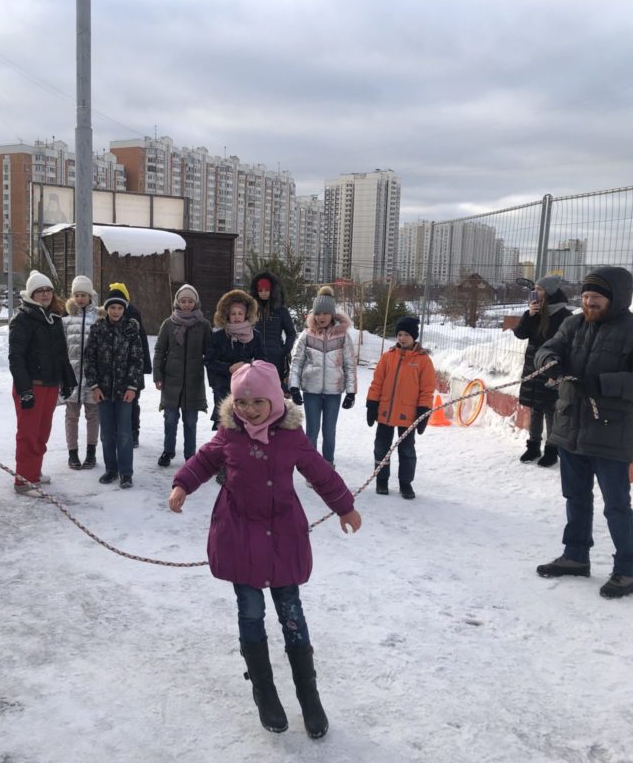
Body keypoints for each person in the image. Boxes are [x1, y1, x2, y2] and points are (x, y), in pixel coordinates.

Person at [168, 361, 361, 739]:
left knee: (291, 614)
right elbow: (203, 460)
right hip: (239, 535)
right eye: (242, 402)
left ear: (273, 400)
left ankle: (309, 695)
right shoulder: (229, 434)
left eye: (258, 401)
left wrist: (345, 505)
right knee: (251, 611)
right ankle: (264, 689)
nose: (250, 409)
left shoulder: (291, 437)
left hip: (283, 537)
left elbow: (320, 472)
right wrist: (181, 485)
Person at [534, 266, 633, 599]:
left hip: (611, 431)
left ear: (616, 298)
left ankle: (626, 570)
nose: (588, 302)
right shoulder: (573, 324)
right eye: (586, 296)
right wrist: (550, 360)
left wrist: (600, 384)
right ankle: (576, 556)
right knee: (575, 498)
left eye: (596, 297)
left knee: (616, 506)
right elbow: (546, 348)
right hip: (570, 427)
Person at [7, 271, 76, 494]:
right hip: (31, 386)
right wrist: (25, 390)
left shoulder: (53, 318)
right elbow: (16, 358)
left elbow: (61, 354)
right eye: (40, 291)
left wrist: (67, 379)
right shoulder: (23, 319)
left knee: (42, 432)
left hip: (49, 384)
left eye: (48, 290)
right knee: (28, 433)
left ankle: (33, 472)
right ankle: (23, 480)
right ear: (31, 294)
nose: (45, 294)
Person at [365, 316, 436, 499]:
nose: (402, 338)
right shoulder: (388, 357)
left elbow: (427, 390)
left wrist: (423, 412)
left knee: (406, 450)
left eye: (406, 335)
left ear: (414, 336)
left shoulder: (423, 361)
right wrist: (372, 404)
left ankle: (406, 483)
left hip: (409, 414)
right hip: (385, 413)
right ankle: (381, 480)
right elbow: (377, 383)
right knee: (381, 447)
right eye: (399, 334)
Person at [287, 285, 357, 467]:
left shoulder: (343, 336)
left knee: (329, 431)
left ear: (332, 314)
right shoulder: (307, 335)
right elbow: (296, 362)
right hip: (312, 391)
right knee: (312, 430)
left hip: (334, 391)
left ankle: (328, 464)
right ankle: (312, 468)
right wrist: (293, 387)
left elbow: (349, 364)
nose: (322, 317)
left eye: (326, 313)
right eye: (318, 313)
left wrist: (351, 392)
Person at [84, 286, 143, 489]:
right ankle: (111, 469)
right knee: (107, 433)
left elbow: (137, 360)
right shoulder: (97, 329)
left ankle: (126, 472)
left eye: (119, 307)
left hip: (124, 392)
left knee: (125, 433)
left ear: (124, 309)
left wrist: (132, 387)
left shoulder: (131, 331)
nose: (116, 311)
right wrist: (94, 385)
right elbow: (89, 359)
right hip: (103, 391)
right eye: (112, 307)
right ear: (107, 309)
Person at [512, 275, 572, 467]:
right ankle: (533, 446)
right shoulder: (534, 312)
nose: (534, 292)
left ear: (549, 292)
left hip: (551, 368)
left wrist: (559, 371)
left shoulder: (564, 316)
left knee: (550, 410)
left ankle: (551, 450)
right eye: (534, 288)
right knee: (535, 408)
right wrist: (529, 315)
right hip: (532, 367)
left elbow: (567, 345)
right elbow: (520, 334)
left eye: (539, 289)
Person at [153, 283, 209, 466]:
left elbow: (211, 352)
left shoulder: (203, 325)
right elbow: (160, 351)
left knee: (190, 421)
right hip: (171, 381)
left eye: (190, 301)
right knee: (170, 419)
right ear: (178, 302)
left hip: (193, 382)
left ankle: (190, 455)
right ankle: (168, 451)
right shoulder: (169, 324)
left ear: (196, 303)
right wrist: (158, 376)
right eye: (183, 301)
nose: (186, 305)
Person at [205, 289, 266, 431]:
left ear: (246, 315)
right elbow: (209, 361)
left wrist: (246, 366)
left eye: (240, 313)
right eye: (233, 313)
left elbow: (263, 361)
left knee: (245, 426)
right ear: (227, 315)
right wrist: (228, 368)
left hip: (248, 388)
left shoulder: (255, 336)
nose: (237, 317)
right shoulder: (218, 336)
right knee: (225, 427)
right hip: (223, 388)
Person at [61, 275, 100, 470]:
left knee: (93, 415)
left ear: (90, 296)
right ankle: (72, 453)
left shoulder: (98, 319)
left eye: (83, 294)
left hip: (92, 378)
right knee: (71, 415)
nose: (80, 299)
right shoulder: (66, 321)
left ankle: (91, 453)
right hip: (72, 376)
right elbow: (61, 348)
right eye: (77, 295)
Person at [107, 282, 150, 448]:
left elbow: (140, 344)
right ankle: (127, 432)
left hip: (133, 371)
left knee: (132, 403)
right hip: (117, 371)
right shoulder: (109, 317)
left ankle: (133, 432)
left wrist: (143, 367)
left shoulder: (132, 316)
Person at [249, 271, 297, 389]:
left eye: (266, 290)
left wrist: (284, 350)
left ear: (272, 290)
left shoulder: (281, 311)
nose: (264, 293)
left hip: (276, 358)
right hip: (256, 357)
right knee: (257, 391)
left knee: (275, 391)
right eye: (261, 291)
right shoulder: (252, 310)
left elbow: (291, 333)